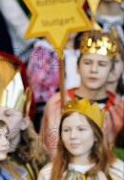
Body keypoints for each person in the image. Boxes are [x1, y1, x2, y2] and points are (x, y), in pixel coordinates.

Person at [41, 29, 124, 157]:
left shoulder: (119, 110)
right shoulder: (58, 104)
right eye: (87, 62)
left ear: (112, 72)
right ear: (77, 67)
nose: (93, 70)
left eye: (102, 64)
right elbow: (49, 151)